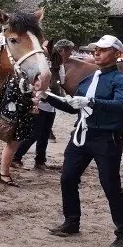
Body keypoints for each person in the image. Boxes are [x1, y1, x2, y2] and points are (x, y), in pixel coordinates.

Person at [41, 34, 123, 247]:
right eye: (96, 49)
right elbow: (74, 106)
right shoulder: (89, 80)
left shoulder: (122, 81)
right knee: (67, 178)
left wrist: (91, 101)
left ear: (117, 54)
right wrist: (46, 97)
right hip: (81, 135)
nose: (97, 52)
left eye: (103, 49)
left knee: (111, 186)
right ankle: (71, 221)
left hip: (106, 139)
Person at [12, 39, 75, 169]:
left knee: (45, 135)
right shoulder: (46, 65)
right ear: (62, 51)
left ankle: (40, 160)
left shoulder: (59, 66)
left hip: (51, 105)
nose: (70, 55)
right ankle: (16, 157)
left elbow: (61, 83)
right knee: (34, 134)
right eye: (69, 52)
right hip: (40, 103)